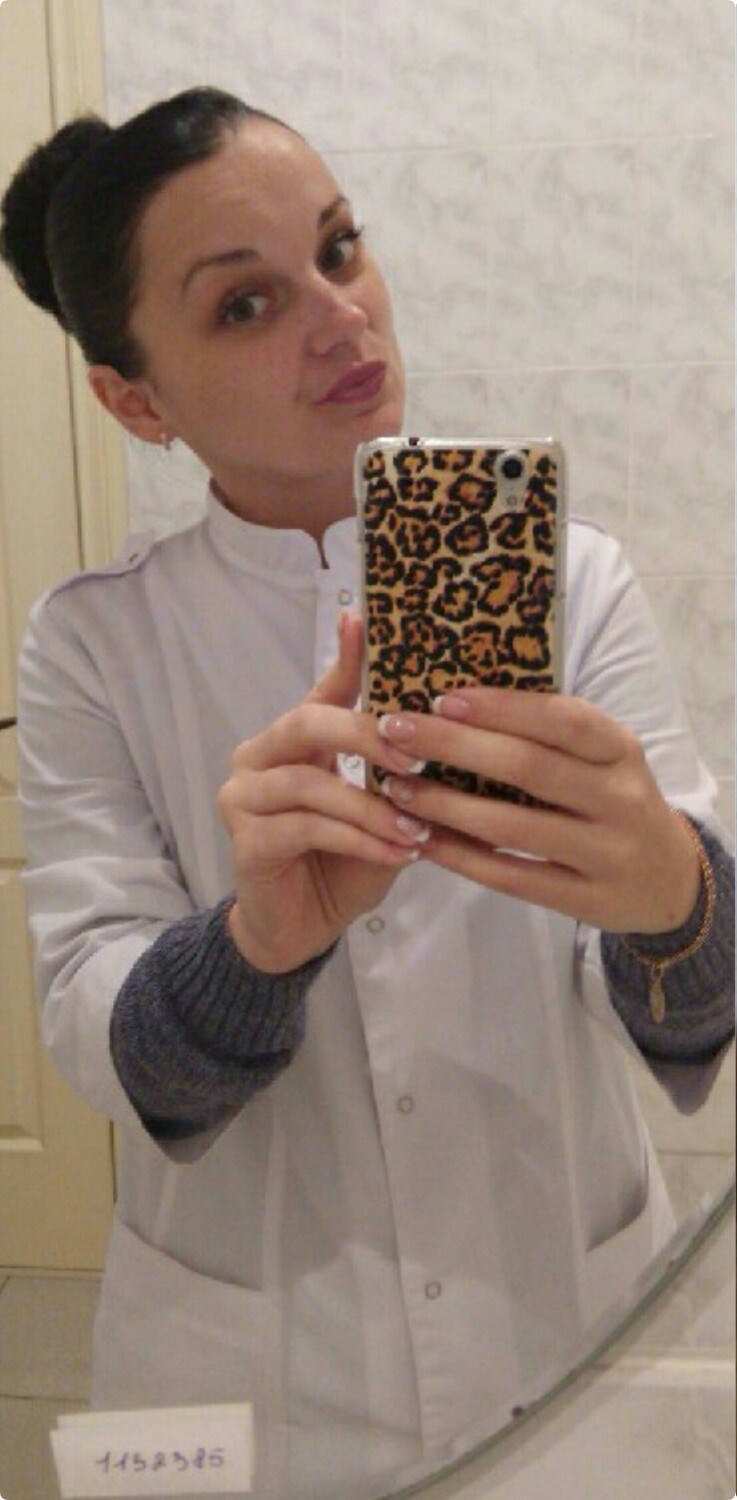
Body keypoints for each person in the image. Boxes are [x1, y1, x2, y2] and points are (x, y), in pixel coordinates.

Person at [1, 87, 733, 1500]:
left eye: (338, 248)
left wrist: (674, 898)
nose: (342, 318)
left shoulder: (574, 584)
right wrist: (254, 948)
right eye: (245, 304)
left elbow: (698, 1004)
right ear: (134, 399)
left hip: (568, 1337)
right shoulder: (94, 643)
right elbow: (98, 1034)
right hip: (258, 1375)